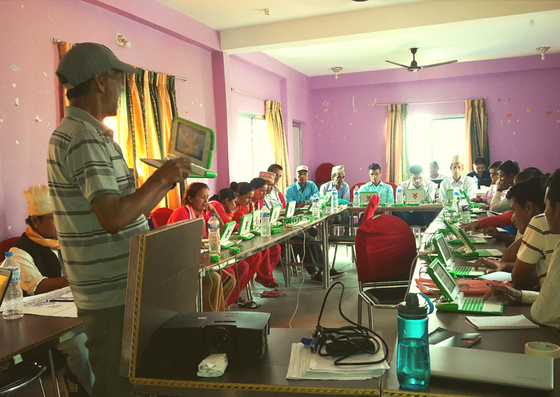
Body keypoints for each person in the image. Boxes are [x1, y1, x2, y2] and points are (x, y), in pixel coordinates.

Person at [48, 42, 191, 397]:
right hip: (110, 293)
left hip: (123, 285)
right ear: (99, 82)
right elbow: (112, 218)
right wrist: (160, 179)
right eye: (118, 79)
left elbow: (129, 210)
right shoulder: (82, 137)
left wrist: (168, 179)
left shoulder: (94, 134)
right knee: (117, 385)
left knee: (134, 380)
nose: (122, 89)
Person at [9, 185, 94, 396]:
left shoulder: (63, 241)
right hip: (43, 324)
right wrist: (74, 280)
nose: (61, 221)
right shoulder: (19, 251)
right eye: (54, 217)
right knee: (80, 344)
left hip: (72, 311)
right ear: (36, 220)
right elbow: (37, 286)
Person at [484, 169, 560, 328]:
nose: (545, 213)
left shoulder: (540, 223)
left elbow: (544, 314)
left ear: (557, 209)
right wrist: (522, 296)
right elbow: (553, 297)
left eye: (546, 206)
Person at [168, 183, 236, 311]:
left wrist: (214, 211)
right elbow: (179, 242)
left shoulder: (202, 215)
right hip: (181, 263)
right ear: (190, 198)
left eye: (207, 197)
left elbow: (221, 228)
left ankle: (216, 313)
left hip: (198, 258)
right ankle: (208, 317)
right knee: (214, 278)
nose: (206, 201)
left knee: (230, 279)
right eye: (202, 197)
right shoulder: (182, 213)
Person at [474, 176, 546, 276]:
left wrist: (503, 264)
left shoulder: (540, 226)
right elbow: (534, 269)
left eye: (514, 211)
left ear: (528, 207)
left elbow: (518, 277)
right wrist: (502, 265)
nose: (512, 218)